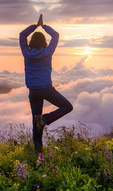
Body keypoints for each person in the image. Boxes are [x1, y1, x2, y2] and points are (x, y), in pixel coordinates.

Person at [19, 14, 73, 153]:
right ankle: (46, 119)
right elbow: (55, 35)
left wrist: (35, 26)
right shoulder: (48, 51)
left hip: (34, 91)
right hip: (46, 89)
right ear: (44, 41)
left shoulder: (26, 53)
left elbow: (22, 35)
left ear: (31, 42)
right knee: (67, 107)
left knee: (35, 123)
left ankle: (39, 153)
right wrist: (44, 26)